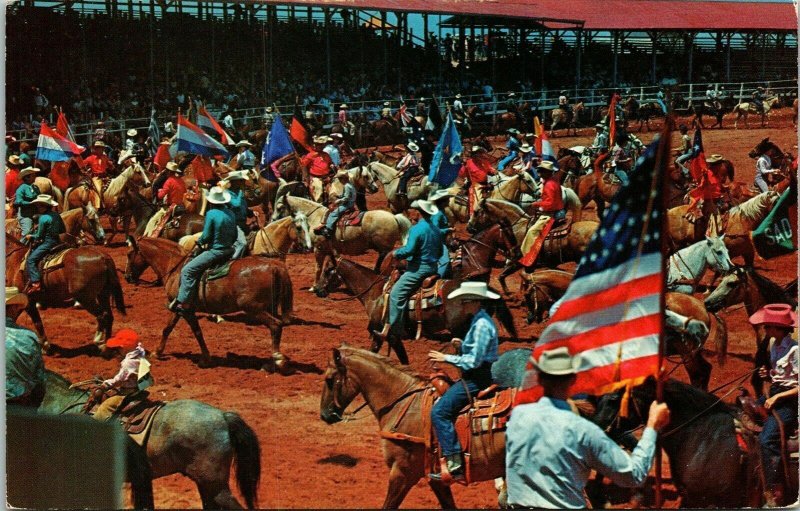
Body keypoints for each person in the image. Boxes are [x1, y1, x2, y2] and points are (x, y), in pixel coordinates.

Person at [505, 346, 671, 509]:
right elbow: (634, 475)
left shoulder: (516, 418)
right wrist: (652, 426)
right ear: (573, 380)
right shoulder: (583, 431)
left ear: (539, 379)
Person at [428, 281, 501, 482]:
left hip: (476, 378)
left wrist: (447, 358)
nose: (462, 305)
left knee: (439, 412)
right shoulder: (479, 321)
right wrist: (461, 346)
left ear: (475, 302)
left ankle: (454, 464)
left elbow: (474, 361)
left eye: (465, 301)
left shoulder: (481, 325)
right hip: (480, 374)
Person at [374, 199, 444, 364]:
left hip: (418, 270)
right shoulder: (435, 229)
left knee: (396, 294)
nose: (409, 212)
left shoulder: (417, 229)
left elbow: (410, 249)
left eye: (411, 210)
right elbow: (440, 251)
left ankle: (394, 330)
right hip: (433, 267)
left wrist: (397, 253)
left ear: (418, 212)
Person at [748, 304, 798, 507]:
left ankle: (773, 489)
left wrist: (777, 399)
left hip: (790, 402)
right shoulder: (772, 344)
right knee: (743, 407)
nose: (765, 330)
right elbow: (779, 375)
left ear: (778, 328)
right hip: (776, 393)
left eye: (768, 326)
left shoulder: (795, 350)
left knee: (767, 439)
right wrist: (767, 374)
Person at [170, 186, 236, 314]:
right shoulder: (231, 213)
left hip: (215, 252)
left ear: (212, 201)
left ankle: (183, 303)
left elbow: (205, 236)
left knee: (188, 270)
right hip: (230, 250)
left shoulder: (211, 214)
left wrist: (199, 243)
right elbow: (235, 235)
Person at [90, 329, 153, 421]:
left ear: (124, 348)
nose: (117, 351)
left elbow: (120, 379)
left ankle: (95, 429)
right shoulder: (140, 354)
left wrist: (106, 384)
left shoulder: (128, 362)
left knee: (105, 406)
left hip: (127, 394)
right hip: (138, 390)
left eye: (118, 348)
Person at [6, 287, 46, 408]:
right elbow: (40, 382)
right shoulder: (29, 337)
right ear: (13, 308)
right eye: (18, 308)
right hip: (15, 405)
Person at [519, 161, 563, 268]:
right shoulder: (553, 180)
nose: (539, 172)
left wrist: (536, 204)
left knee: (532, 232)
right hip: (557, 211)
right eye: (540, 170)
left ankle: (529, 258)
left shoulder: (549, 184)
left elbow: (550, 203)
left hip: (550, 214)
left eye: (542, 170)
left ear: (548, 172)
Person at [25, 194, 65, 294]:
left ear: (44, 206)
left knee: (30, 260)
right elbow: (62, 230)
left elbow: (39, 236)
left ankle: (36, 283)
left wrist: (31, 236)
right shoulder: (56, 215)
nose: (37, 208)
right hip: (58, 241)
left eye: (39, 205)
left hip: (48, 243)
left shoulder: (43, 218)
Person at [316, 169, 355, 239]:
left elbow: (346, 198)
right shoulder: (350, 185)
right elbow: (345, 195)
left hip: (347, 205)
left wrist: (338, 201)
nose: (339, 181)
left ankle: (328, 230)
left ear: (344, 179)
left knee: (333, 214)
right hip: (351, 203)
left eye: (340, 179)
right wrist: (338, 196)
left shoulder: (346, 186)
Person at [223, 170, 253, 259]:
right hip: (233, 224)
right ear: (234, 182)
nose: (243, 183)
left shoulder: (240, 194)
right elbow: (236, 205)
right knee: (242, 243)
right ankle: (231, 261)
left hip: (242, 223)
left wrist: (250, 213)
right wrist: (240, 193)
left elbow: (243, 207)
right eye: (241, 181)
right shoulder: (226, 194)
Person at [429, 189, 454, 279]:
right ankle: (436, 280)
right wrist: (447, 230)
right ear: (442, 202)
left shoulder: (441, 211)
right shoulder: (438, 214)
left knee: (449, 266)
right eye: (447, 199)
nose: (449, 201)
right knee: (445, 261)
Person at [300, 137, 335, 201]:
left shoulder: (326, 154)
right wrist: (306, 177)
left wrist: (331, 165)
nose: (320, 146)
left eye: (321, 145)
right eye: (318, 144)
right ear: (315, 145)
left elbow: (330, 162)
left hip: (327, 177)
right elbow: (304, 165)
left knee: (334, 192)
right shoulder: (311, 155)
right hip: (316, 178)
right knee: (318, 192)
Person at [14, 166, 40, 238]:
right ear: (27, 177)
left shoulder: (36, 187)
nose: (35, 177)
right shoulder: (21, 188)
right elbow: (18, 202)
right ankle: (23, 246)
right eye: (33, 175)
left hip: (37, 213)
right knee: (27, 232)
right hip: (26, 215)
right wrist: (30, 203)